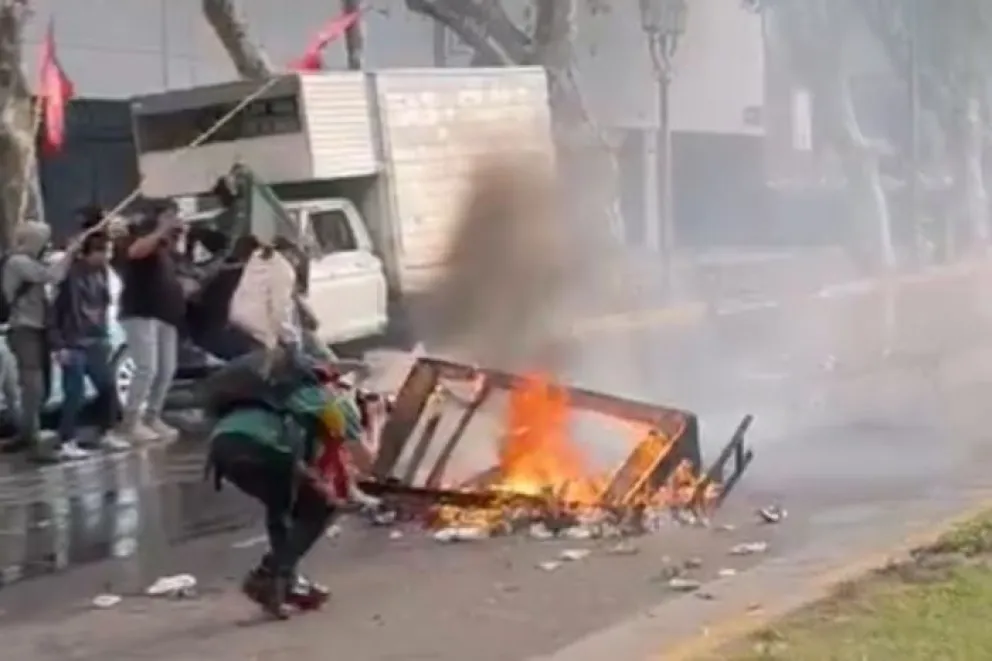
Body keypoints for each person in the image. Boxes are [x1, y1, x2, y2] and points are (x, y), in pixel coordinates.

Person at [204, 349, 379, 619]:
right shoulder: (330, 400)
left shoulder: (277, 392)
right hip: (263, 446)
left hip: (223, 446)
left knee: (282, 506)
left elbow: (304, 453)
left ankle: (285, 585)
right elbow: (368, 461)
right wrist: (375, 418)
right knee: (322, 506)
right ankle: (269, 575)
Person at [3, 220, 81, 462]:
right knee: (33, 386)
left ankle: (27, 434)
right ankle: (32, 440)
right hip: (24, 329)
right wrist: (71, 252)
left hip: (38, 329)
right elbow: (52, 276)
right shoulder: (18, 263)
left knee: (40, 386)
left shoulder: (27, 262)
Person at [52, 227, 130, 453]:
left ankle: (105, 432)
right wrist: (59, 344)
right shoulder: (70, 274)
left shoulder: (103, 273)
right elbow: (56, 310)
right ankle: (67, 440)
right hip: (73, 340)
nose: (107, 256)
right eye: (103, 251)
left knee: (107, 388)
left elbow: (104, 305)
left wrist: (104, 334)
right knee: (74, 393)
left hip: (96, 338)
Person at [116, 199, 186, 443]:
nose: (176, 219)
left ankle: (152, 415)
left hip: (165, 314)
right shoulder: (139, 237)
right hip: (141, 311)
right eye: (170, 215)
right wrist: (161, 230)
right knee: (147, 367)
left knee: (167, 369)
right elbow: (135, 252)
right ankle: (130, 421)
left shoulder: (166, 247)